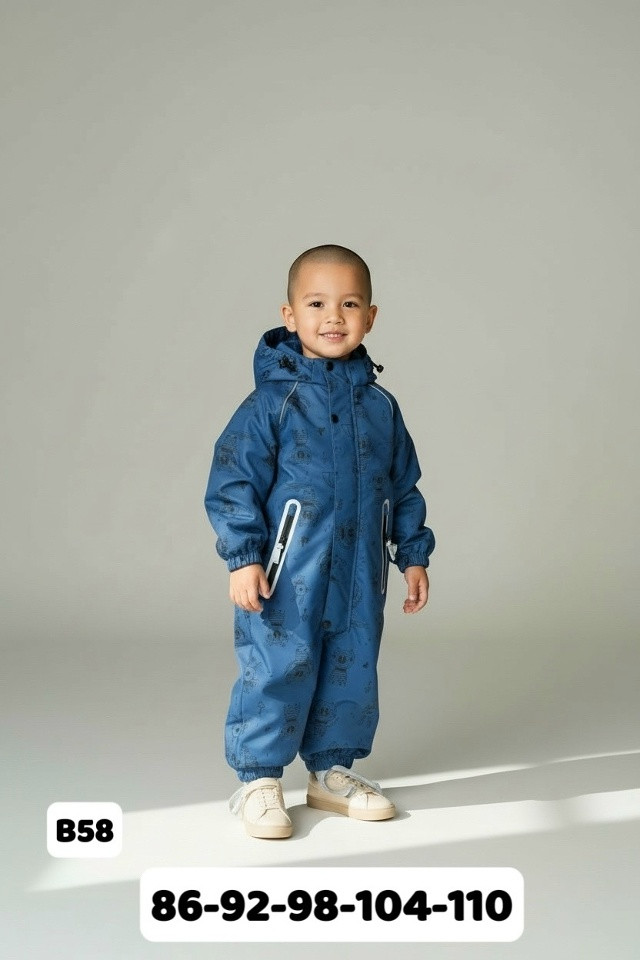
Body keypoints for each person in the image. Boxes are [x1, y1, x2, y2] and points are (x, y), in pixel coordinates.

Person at [204, 244, 435, 839]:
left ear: (370, 317)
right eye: (316, 304)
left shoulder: (381, 407)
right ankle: (258, 780)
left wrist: (412, 554)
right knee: (277, 666)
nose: (334, 317)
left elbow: (403, 485)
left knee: (351, 666)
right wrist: (243, 558)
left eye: (349, 304)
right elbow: (232, 480)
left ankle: (331, 772)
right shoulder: (271, 404)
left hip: (360, 573)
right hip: (287, 573)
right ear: (289, 315)